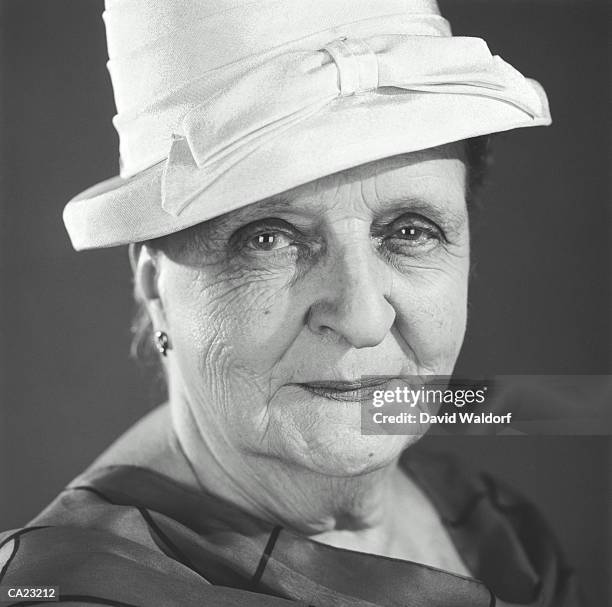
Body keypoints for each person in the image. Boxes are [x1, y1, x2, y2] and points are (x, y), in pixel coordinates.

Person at [0, 0, 582, 605]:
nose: (362, 319)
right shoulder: (78, 591)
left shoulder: (502, 532)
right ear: (153, 284)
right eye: (269, 239)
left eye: (410, 231)